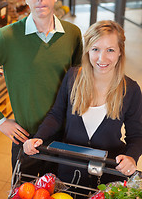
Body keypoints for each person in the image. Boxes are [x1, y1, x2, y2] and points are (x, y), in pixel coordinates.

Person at [0, 0, 82, 175]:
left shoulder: (72, 34)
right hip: (27, 139)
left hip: (66, 136)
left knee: (62, 192)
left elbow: (79, 82)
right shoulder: (7, 37)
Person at [23, 20, 142, 191]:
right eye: (95, 49)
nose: (102, 58)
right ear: (87, 51)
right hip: (68, 171)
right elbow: (56, 114)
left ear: (120, 53)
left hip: (108, 176)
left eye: (110, 50)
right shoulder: (73, 78)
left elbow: (137, 135)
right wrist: (39, 137)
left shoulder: (130, 90)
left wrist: (131, 157)